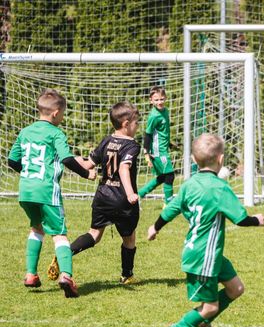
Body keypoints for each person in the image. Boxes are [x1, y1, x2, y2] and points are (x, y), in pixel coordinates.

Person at [148, 133, 264, 327]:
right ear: (221, 159)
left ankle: (203, 321)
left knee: (236, 288)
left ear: (194, 159)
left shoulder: (189, 184)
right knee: (210, 306)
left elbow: (171, 209)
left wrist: (155, 227)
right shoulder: (219, 188)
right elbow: (240, 219)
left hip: (209, 253)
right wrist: (256, 220)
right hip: (204, 257)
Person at [7, 88, 96, 298]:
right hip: (47, 191)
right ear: (56, 113)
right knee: (59, 234)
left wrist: (29, 174)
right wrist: (86, 174)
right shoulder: (56, 133)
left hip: (26, 190)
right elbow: (67, 159)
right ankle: (66, 276)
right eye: (63, 114)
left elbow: (12, 160)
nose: (63, 117)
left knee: (36, 228)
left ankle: (30, 274)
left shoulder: (25, 131)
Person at [47, 101, 141, 285]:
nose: (138, 126)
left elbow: (87, 164)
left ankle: (65, 254)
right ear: (126, 124)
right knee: (129, 239)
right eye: (136, 122)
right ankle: (127, 275)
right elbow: (124, 168)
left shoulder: (106, 140)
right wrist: (130, 193)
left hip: (103, 196)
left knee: (94, 234)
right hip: (122, 199)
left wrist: (69, 157)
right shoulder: (132, 146)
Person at [138, 86, 175, 205]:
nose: (159, 102)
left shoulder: (165, 111)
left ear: (165, 98)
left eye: (161, 99)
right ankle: (168, 203)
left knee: (163, 177)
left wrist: (169, 143)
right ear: (151, 101)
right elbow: (148, 134)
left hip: (163, 148)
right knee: (170, 175)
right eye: (156, 100)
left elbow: (162, 132)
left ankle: (139, 194)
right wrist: (146, 153)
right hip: (158, 150)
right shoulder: (154, 116)